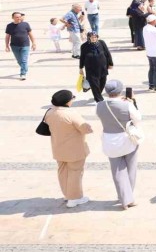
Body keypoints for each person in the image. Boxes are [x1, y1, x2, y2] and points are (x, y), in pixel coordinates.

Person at [95, 80, 141, 210]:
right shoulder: (127, 105)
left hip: (109, 140)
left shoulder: (99, 105)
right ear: (120, 91)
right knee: (131, 168)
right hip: (127, 139)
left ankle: (124, 198)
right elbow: (138, 119)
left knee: (117, 170)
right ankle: (129, 197)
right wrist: (133, 103)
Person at [46, 89, 93, 208]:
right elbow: (85, 129)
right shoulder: (71, 114)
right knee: (75, 172)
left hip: (58, 148)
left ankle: (67, 194)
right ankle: (75, 198)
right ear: (67, 102)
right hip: (74, 150)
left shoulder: (49, 112)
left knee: (62, 172)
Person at [79, 32, 113, 102]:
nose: (94, 39)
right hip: (90, 69)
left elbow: (107, 53)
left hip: (102, 67)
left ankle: (97, 95)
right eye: (92, 37)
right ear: (89, 38)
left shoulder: (102, 43)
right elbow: (82, 57)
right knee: (94, 84)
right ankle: (99, 99)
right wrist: (81, 68)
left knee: (102, 83)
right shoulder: (84, 46)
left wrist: (110, 63)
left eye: (95, 37)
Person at [5, 11, 36, 80]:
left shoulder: (26, 24)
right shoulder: (9, 26)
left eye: (19, 17)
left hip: (25, 45)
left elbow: (30, 34)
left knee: (24, 60)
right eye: (17, 17)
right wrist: (6, 46)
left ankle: (23, 74)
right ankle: (25, 68)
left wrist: (33, 43)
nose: (18, 18)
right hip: (14, 46)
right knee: (19, 61)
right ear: (13, 18)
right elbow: (7, 36)